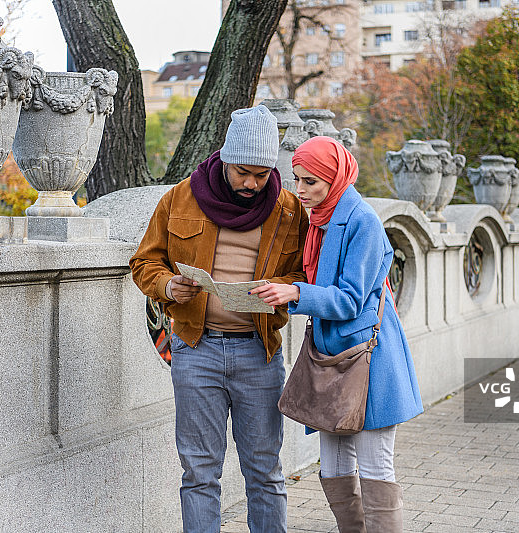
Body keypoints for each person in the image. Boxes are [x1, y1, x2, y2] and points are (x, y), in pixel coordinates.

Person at [129, 104, 309, 533]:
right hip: (196, 349)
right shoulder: (180, 197)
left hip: (259, 354)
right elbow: (144, 263)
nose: (251, 183)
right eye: (243, 172)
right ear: (226, 158)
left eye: (262, 175)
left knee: (265, 471)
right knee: (199, 471)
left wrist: (282, 287)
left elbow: (306, 273)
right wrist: (170, 286)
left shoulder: (287, 209)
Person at [252, 135, 423, 532]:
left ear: (334, 177)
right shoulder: (320, 222)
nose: (301, 190)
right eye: (296, 179)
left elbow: (349, 300)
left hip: (368, 359)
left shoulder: (362, 221)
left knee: (376, 465)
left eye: (310, 181)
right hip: (330, 361)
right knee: (332, 466)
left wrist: (295, 292)